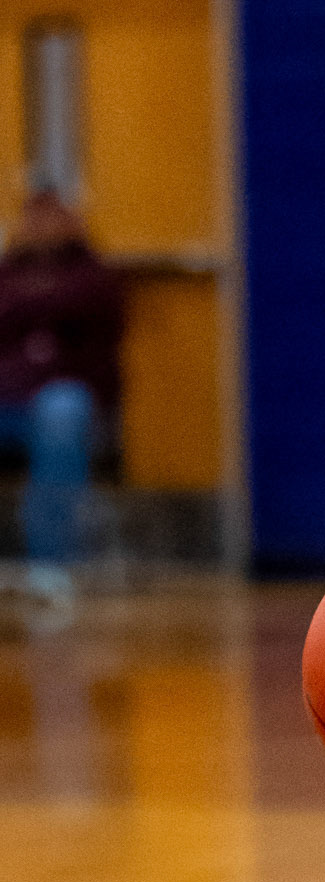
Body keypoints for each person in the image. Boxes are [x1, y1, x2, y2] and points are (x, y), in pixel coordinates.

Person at [0, 188, 124, 601]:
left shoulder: (95, 274)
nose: (41, 226)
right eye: (33, 217)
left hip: (67, 395)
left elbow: (91, 307)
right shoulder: (6, 272)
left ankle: (51, 566)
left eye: (52, 216)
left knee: (61, 412)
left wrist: (31, 301)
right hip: (8, 397)